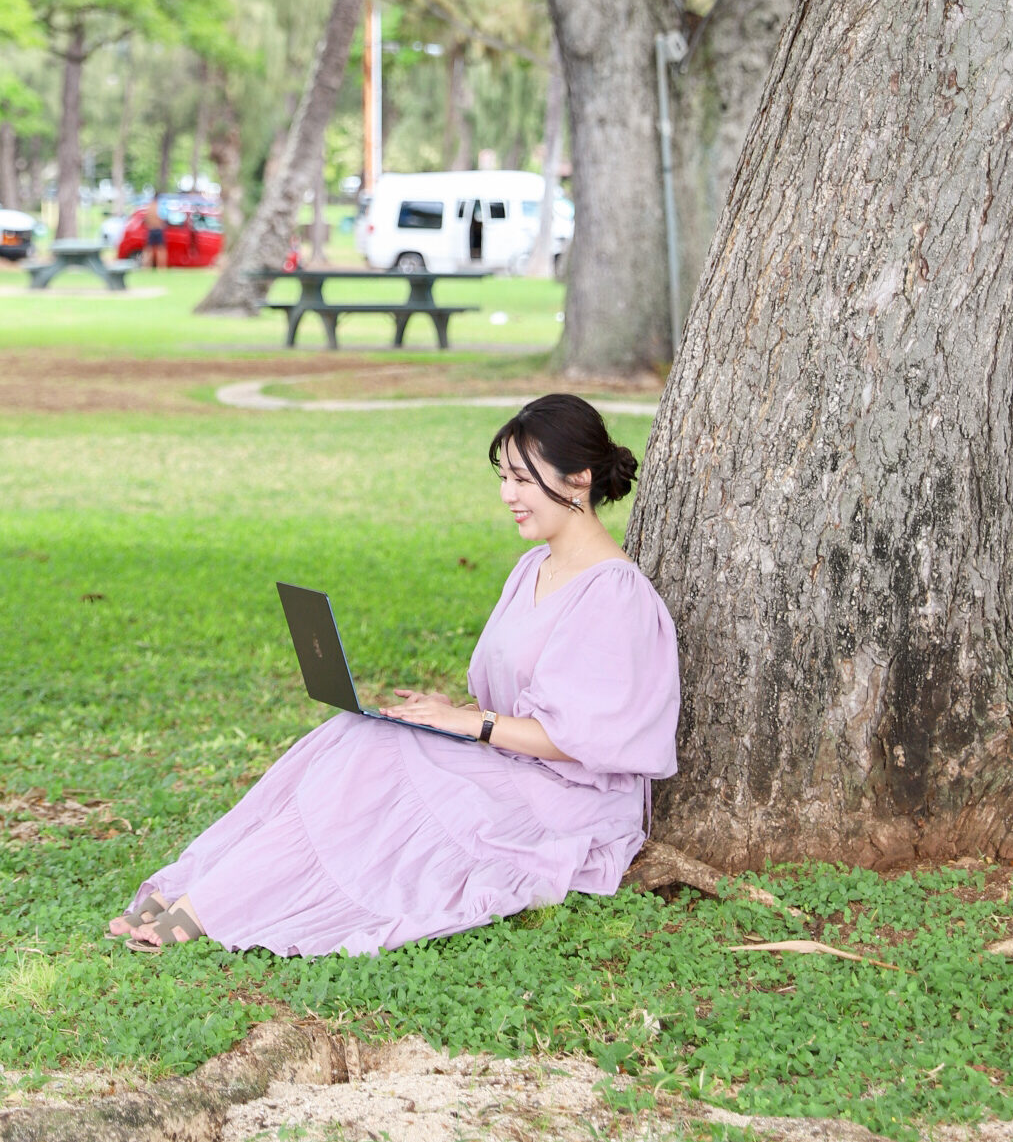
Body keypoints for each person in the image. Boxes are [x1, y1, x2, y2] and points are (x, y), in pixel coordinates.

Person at [109, 393, 680, 956]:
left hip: (568, 797)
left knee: (374, 756)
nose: (508, 495)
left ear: (578, 479)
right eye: (503, 477)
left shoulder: (614, 594)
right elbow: (515, 701)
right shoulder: (535, 565)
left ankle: (211, 908)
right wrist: (447, 714)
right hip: (511, 762)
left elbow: (578, 740)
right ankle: (194, 886)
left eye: (523, 480)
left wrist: (467, 722)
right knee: (355, 733)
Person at [141, 199, 167, 269]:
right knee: (161, 249)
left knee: (148, 250)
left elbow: (145, 219)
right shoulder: (160, 206)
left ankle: (146, 267)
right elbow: (164, 218)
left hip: (151, 229)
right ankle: (161, 268)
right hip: (158, 229)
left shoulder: (148, 207)